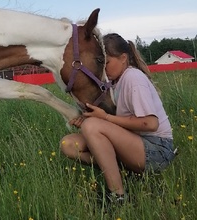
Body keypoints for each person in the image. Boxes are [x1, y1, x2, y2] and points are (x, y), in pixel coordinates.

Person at [60, 33, 176, 204]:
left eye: (106, 64)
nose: (104, 70)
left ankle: (117, 196)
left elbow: (151, 123)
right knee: (68, 145)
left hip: (157, 150)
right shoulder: (115, 83)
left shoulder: (133, 78)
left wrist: (104, 118)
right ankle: (123, 173)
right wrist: (88, 120)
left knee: (92, 126)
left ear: (123, 58)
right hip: (137, 143)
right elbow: (117, 125)